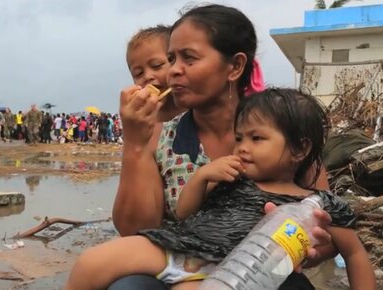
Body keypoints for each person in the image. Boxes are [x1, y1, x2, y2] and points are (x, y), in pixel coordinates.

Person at [111, 6, 335, 290]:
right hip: (176, 269)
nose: (173, 71)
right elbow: (134, 230)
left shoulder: (284, 132)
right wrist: (134, 144)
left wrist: (313, 248)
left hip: (254, 272)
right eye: (171, 59)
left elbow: (329, 232)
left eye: (188, 58)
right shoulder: (160, 136)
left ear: (235, 67)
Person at [66, 88, 376, 290]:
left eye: (257, 139)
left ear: (299, 148)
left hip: (231, 273)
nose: (242, 147)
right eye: (239, 137)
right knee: (92, 262)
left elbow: (354, 253)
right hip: (179, 247)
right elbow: (186, 213)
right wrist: (202, 177)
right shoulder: (232, 177)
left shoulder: (317, 205)